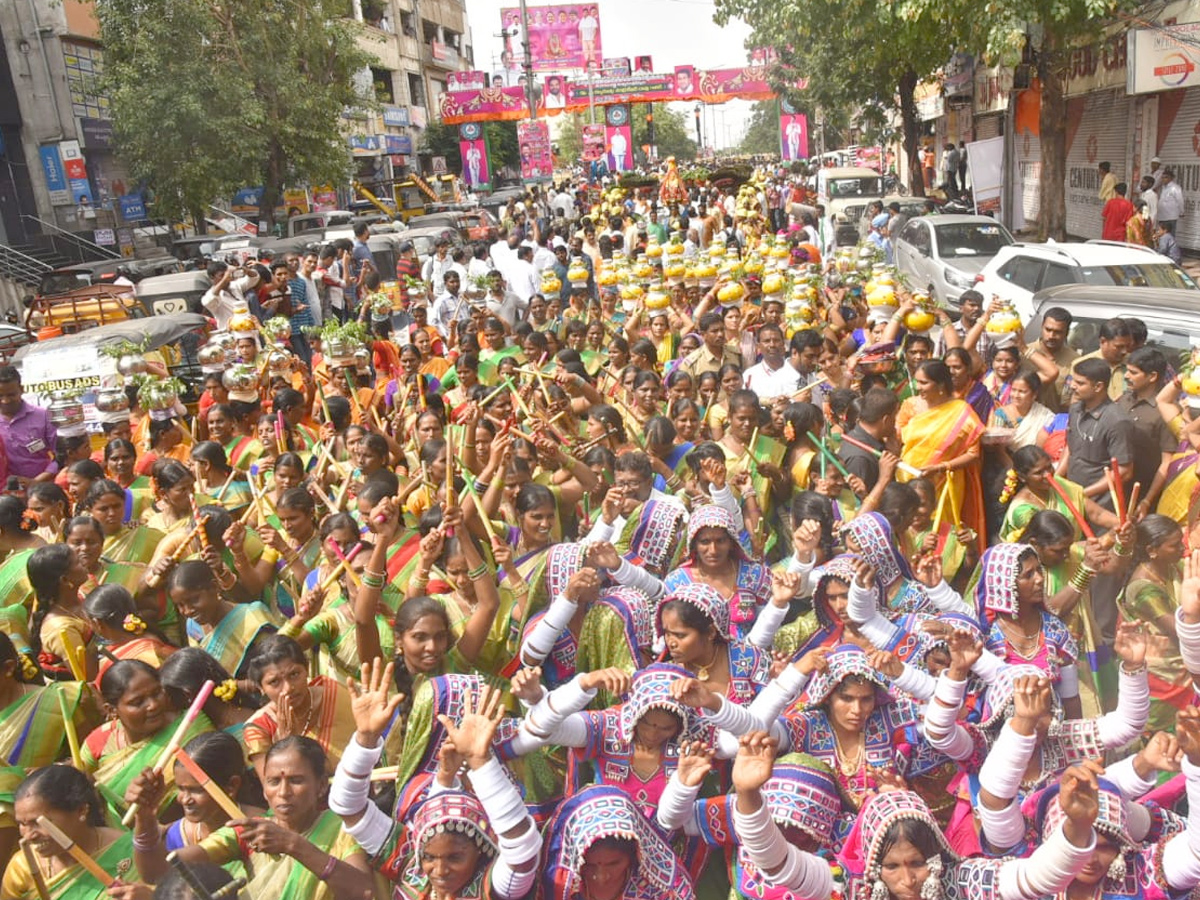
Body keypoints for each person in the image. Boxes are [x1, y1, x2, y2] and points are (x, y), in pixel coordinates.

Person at [0, 366, 55, 485]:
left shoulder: (43, 416)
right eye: (0, 396)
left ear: (21, 389)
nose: (5, 401)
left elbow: (60, 456)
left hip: (41, 490)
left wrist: (35, 481)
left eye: (11, 395)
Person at [1157, 167, 1184, 234]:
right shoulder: (1163, 188)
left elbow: (1180, 201)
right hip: (1162, 216)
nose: (1163, 179)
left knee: (1170, 235)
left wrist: (1181, 212)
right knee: (1161, 235)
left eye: (1165, 177)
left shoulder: (1175, 188)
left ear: (1171, 178)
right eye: (1162, 177)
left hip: (1170, 217)